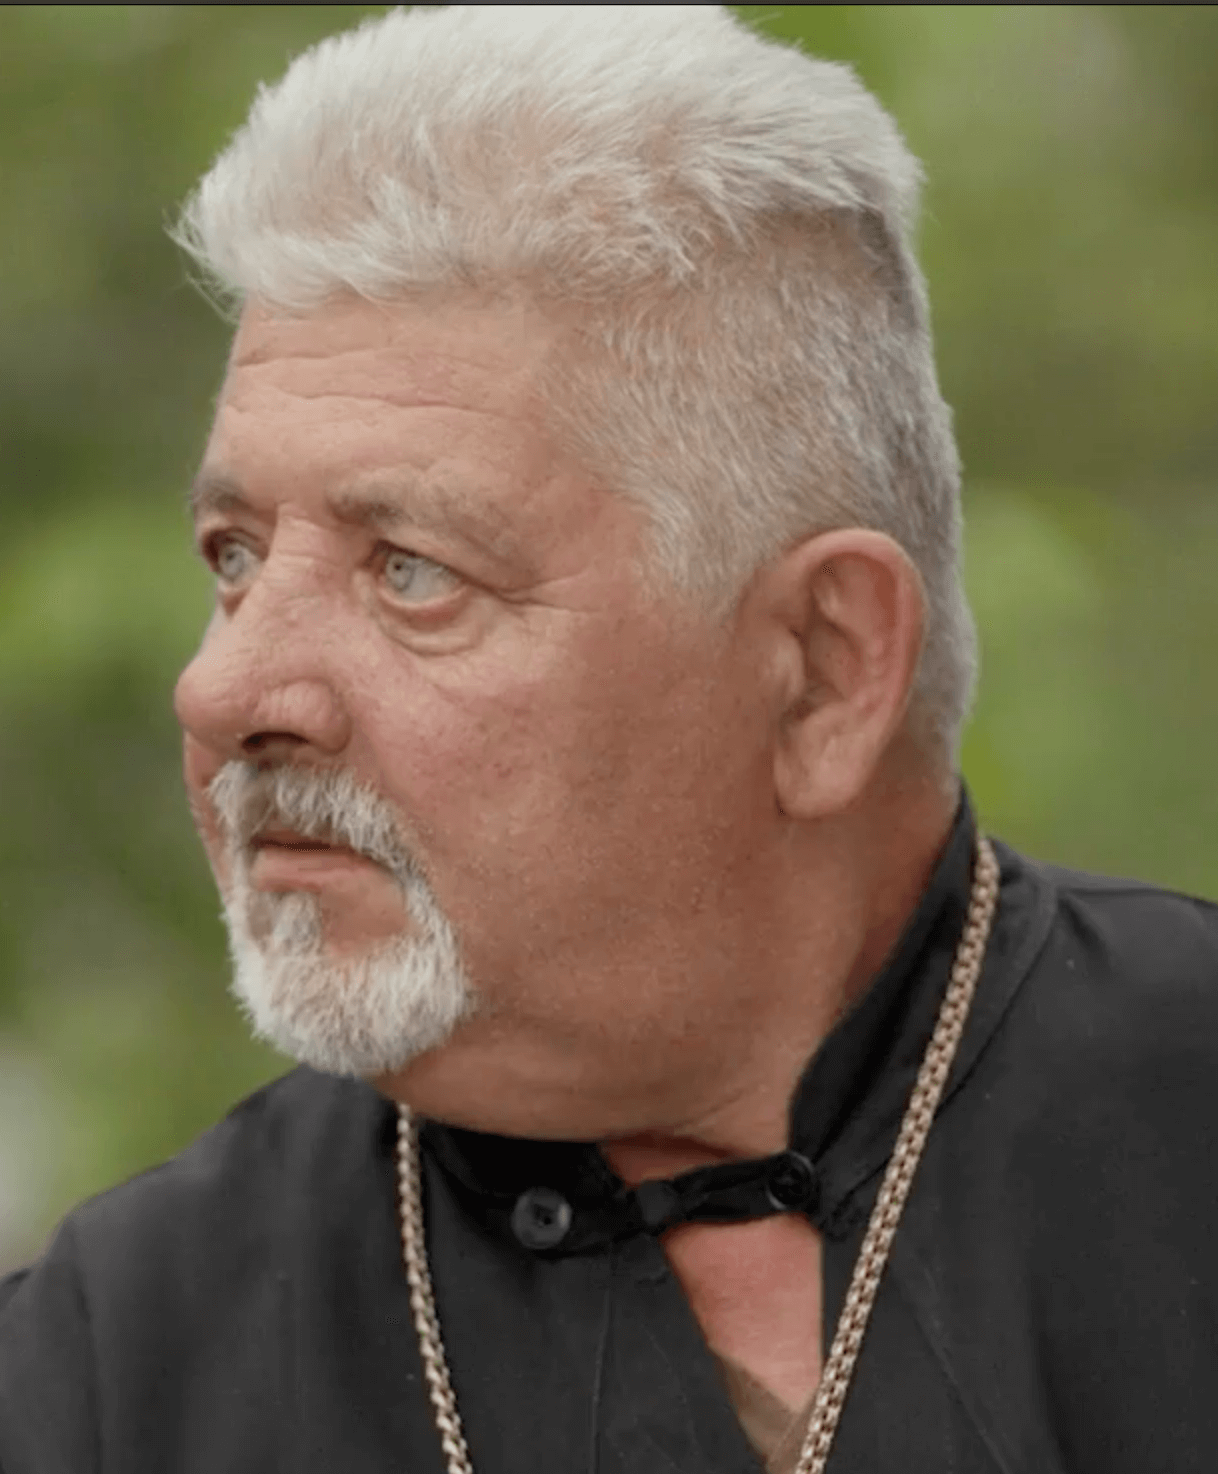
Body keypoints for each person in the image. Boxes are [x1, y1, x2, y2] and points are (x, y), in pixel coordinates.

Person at [1, 6, 1215, 1471]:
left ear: (822, 673)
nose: (225, 689)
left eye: (410, 570)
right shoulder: (106, 1365)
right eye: (236, 553)